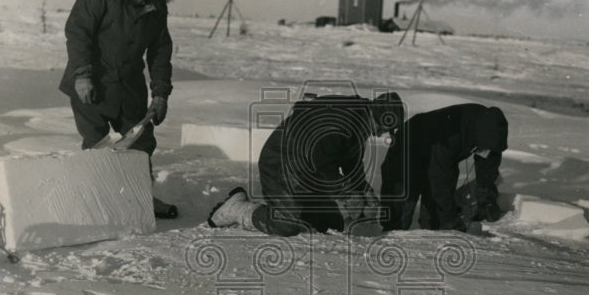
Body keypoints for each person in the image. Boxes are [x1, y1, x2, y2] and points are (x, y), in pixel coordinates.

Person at [58, 0, 180, 217]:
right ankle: (99, 202)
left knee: (141, 144)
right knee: (97, 143)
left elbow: (160, 50)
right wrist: (82, 75)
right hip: (92, 82)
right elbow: (78, 32)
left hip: (130, 86)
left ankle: (141, 197)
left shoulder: (157, 6)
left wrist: (160, 93)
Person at [207, 92, 405, 236]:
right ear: (378, 116)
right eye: (384, 128)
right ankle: (237, 208)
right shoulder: (344, 121)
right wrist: (347, 193)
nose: (381, 134)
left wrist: (363, 191)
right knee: (285, 225)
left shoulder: (360, 119)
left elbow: (349, 161)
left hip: (306, 168)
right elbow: (323, 163)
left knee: (329, 221)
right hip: (281, 162)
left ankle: (292, 208)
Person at [379, 103, 508, 232]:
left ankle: (432, 233)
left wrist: (487, 200)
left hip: (438, 151)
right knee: (399, 212)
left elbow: (488, 166)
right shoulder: (452, 134)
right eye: (484, 148)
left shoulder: (492, 129)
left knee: (433, 222)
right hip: (410, 144)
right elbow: (440, 180)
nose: (486, 152)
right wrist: (450, 219)